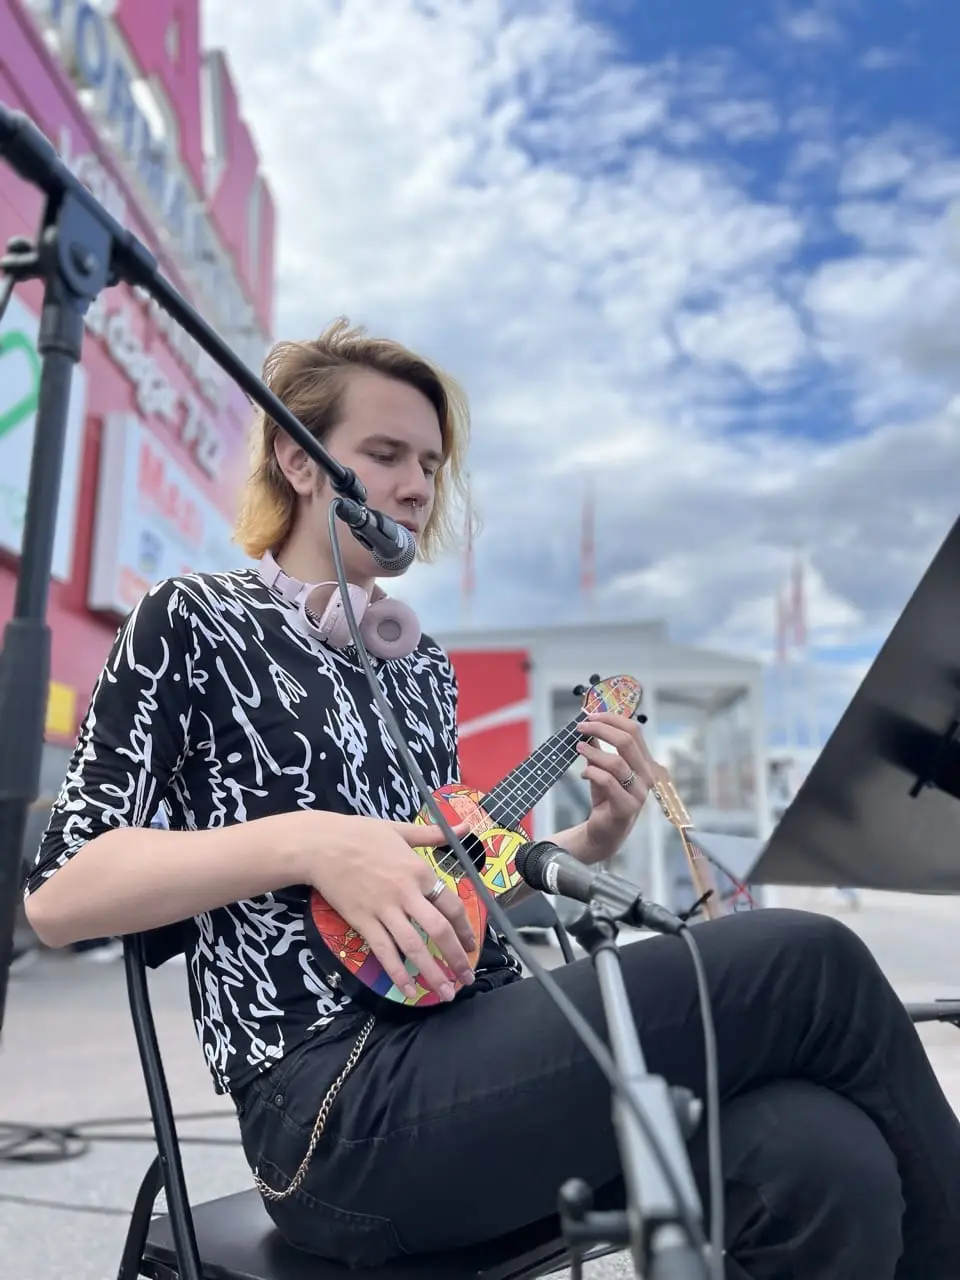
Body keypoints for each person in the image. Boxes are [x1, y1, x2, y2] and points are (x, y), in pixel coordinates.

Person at [22, 320, 960, 1280]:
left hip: (472, 1044)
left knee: (822, 1157)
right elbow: (59, 896)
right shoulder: (191, 619)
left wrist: (587, 844)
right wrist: (305, 840)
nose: (417, 486)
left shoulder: (419, 667)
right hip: (334, 1106)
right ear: (297, 463)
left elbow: (443, 898)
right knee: (808, 959)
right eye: (384, 453)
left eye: (431, 464)